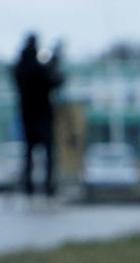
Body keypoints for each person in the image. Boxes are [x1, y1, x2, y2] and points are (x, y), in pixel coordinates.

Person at [12, 34, 64, 197]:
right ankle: (48, 187)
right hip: (42, 114)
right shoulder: (37, 67)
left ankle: (29, 187)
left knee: (28, 154)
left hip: (27, 114)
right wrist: (54, 63)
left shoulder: (19, 67)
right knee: (47, 153)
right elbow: (54, 82)